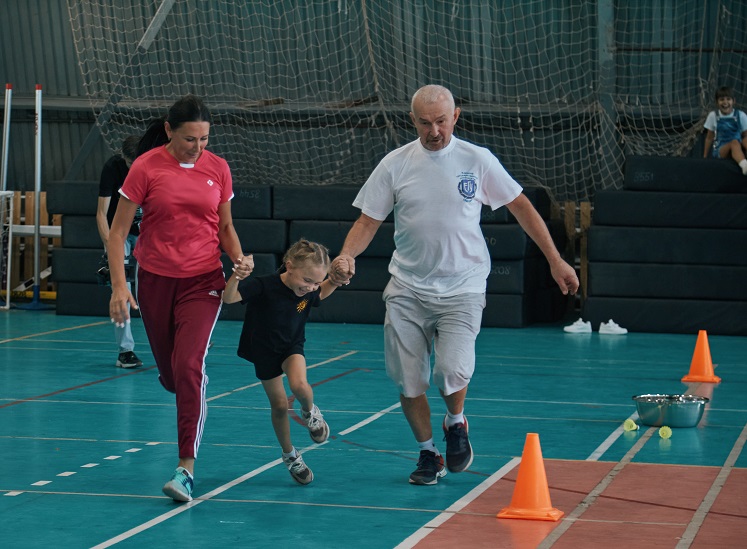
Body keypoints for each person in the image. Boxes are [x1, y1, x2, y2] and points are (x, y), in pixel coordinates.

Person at [328, 84, 579, 486]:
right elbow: (367, 220)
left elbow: (521, 206)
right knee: (409, 381)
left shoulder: (476, 160)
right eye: (425, 123)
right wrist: (346, 256)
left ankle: (456, 422)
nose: (434, 131)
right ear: (412, 121)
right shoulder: (395, 164)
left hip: (463, 286)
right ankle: (429, 453)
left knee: (451, 371)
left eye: (441, 122)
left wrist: (555, 259)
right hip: (407, 288)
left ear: (456, 117)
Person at [107, 95, 251, 502]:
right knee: (172, 377)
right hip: (153, 280)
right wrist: (121, 286)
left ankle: (185, 468)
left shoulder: (218, 168)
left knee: (189, 367)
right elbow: (118, 232)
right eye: (190, 139)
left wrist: (238, 260)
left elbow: (224, 226)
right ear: (170, 131)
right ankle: (179, 379)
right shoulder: (145, 167)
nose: (198, 147)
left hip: (203, 280)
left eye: (205, 139)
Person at [223, 239, 340, 485]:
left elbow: (321, 293)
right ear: (289, 266)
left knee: (299, 386)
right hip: (264, 352)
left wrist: (334, 281)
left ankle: (311, 413)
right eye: (307, 281)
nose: (311, 287)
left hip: (292, 346)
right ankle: (290, 455)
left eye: (316, 282)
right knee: (278, 406)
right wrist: (237, 275)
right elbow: (229, 298)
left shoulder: (309, 290)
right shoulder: (264, 285)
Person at [96, 135, 144, 369]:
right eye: (129, 165)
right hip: (120, 233)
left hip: (149, 232)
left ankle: (182, 340)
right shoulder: (112, 168)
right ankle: (125, 351)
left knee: (158, 286)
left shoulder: (156, 165)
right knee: (122, 289)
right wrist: (110, 248)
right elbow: (101, 214)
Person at [703, 86, 747, 175]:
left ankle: (742, 159)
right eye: (721, 99)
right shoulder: (713, 116)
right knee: (734, 142)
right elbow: (709, 138)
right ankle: (744, 165)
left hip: (738, 148)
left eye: (728, 99)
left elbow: (746, 135)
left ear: (733, 101)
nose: (725, 102)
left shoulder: (741, 115)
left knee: (741, 141)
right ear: (717, 102)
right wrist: (705, 156)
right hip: (722, 150)